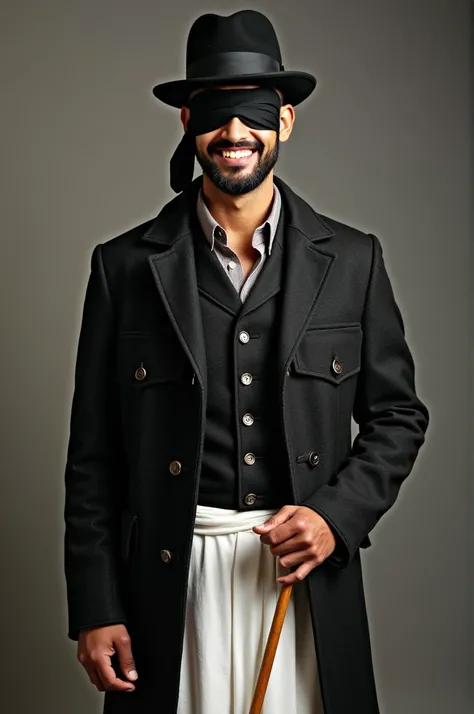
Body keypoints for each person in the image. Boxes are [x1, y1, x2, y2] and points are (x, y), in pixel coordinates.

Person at [63, 9, 430, 714]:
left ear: (284, 121)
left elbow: (398, 415)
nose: (235, 133)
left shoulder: (353, 261)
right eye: (215, 114)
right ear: (188, 125)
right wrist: (95, 606)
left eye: (254, 113)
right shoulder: (123, 269)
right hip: (174, 581)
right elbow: (93, 455)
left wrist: (335, 517)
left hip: (302, 578)